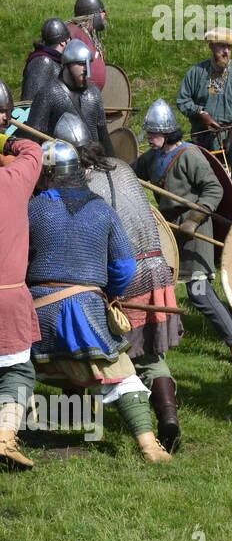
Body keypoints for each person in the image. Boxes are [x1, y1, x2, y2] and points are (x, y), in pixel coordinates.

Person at [26, 140, 171, 462]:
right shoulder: (102, 209)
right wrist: (109, 293)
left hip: (36, 311)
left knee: (13, 367)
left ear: (48, 175)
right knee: (121, 373)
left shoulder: (33, 208)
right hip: (85, 311)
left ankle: (13, 431)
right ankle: (148, 446)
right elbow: (123, 267)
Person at [58, 112, 185, 452]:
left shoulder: (77, 182)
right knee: (151, 353)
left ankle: (83, 417)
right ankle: (169, 417)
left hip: (123, 272)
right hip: (157, 266)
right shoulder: (122, 167)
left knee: (102, 351)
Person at [135, 99, 232, 365]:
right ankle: (164, 340)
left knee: (199, 292)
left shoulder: (189, 155)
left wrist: (194, 220)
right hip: (170, 232)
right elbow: (130, 174)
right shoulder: (152, 158)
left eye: (153, 133)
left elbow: (214, 189)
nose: (150, 138)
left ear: (166, 133)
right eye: (149, 133)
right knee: (162, 287)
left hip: (194, 233)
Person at [0, 130, 43, 471]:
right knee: (18, 371)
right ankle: (4, 435)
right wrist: (3, 140)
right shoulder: (15, 179)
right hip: (8, 296)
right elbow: (33, 149)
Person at [21, 39, 115, 158]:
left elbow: (103, 135)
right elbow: (34, 139)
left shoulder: (94, 92)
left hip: (93, 162)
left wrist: (113, 163)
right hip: (61, 166)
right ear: (67, 64)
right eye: (81, 64)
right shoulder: (48, 94)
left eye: (88, 64)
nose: (86, 69)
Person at [177, 27, 232, 153]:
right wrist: (201, 113)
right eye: (221, 46)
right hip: (201, 138)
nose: (226, 51)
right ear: (211, 46)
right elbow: (182, 100)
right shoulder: (197, 71)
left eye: (229, 47)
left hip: (230, 139)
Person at [67, 0, 109, 91]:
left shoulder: (87, 34)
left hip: (90, 96)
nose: (104, 21)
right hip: (76, 95)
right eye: (102, 17)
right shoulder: (73, 33)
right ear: (96, 16)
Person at [22, 18, 71, 101]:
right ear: (63, 42)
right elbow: (30, 100)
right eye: (69, 38)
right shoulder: (42, 63)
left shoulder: (57, 60)